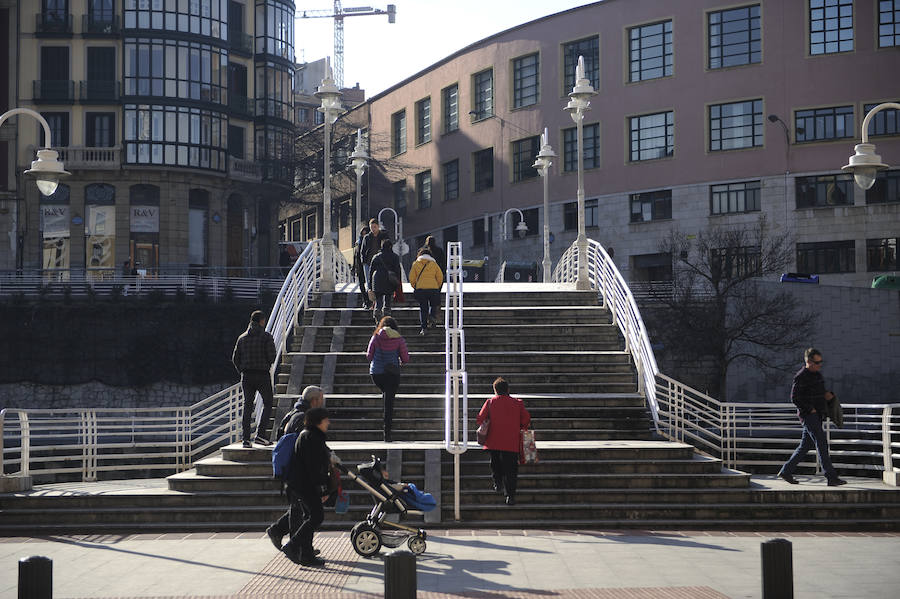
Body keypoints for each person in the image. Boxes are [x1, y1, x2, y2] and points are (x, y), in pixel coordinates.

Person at [777, 348, 847, 487]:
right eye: (817, 362)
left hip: (817, 415)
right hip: (809, 416)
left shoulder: (817, 375)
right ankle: (831, 477)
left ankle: (786, 471)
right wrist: (810, 409)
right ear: (808, 362)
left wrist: (829, 396)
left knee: (805, 446)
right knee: (821, 443)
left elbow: (820, 393)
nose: (820, 364)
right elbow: (794, 398)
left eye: (821, 362)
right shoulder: (801, 376)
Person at [280, 407, 332, 567]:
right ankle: (293, 545)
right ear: (319, 422)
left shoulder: (311, 436)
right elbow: (314, 467)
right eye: (326, 420)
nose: (328, 422)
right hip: (305, 485)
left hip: (301, 483)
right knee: (316, 517)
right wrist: (322, 489)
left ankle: (306, 555)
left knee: (309, 516)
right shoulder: (311, 437)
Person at [476, 377, 531, 506]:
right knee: (511, 470)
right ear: (508, 389)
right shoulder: (518, 403)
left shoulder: (490, 402)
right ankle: (510, 496)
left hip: (493, 442)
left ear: (495, 390)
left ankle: (498, 482)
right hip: (511, 443)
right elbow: (526, 420)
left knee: (495, 462)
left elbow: (480, 419)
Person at [232, 310, 276, 448]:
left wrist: (242, 370)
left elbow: (235, 358)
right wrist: (266, 363)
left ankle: (246, 439)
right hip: (262, 375)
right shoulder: (266, 337)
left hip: (247, 376)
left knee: (247, 406)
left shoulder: (242, 338)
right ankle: (260, 435)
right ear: (262, 321)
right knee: (268, 403)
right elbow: (272, 357)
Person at [366, 316, 410, 442]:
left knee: (386, 396)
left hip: (377, 374)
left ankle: (386, 429)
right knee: (389, 402)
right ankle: (387, 433)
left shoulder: (375, 336)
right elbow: (406, 359)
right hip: (392, 374)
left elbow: (369, 356)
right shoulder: (399, 339)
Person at [409, 247, 444, 335]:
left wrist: (415, 286)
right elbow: (440, 277)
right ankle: (432, 317)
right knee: (433, 304)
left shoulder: (416, 264)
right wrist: (437, 286)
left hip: (421, 289)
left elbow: (412, 278)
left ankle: (424, 328)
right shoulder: (434, 264)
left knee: (423, 308)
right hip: (433, 288)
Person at [368, 238, 402, 323]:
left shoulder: (376, 257)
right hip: (389, 280)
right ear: (391, 246)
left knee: (378, 300)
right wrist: (398, 282)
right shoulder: (395, 257)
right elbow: (397, 270)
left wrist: (370, 285)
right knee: (387, 301)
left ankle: (377, 312)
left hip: (377, 280)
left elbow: (371, 271)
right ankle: (386, 319)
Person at [361, 218, 390, 284]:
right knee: (369, 283)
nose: (373, 229)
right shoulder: (367, 237)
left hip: (380, 262)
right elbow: (363, 250)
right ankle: (370, 294)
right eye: (371, 227)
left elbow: (388, 247)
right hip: (368, 262)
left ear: (378, 226)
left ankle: (378, 294)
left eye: (375, 227)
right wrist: (364, 261)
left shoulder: (384, 235)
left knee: (380, 282)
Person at [352, 225, 371, 309]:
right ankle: (366, 300)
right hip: (359, 267)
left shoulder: (369, 242)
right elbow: (355, 256)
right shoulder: (357, 243)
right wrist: (353, 268)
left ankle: (370, 301)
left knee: (369, 285)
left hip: (367, 265)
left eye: (365, 234)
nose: (364, 236)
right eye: (362, 234)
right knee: (361, 285)